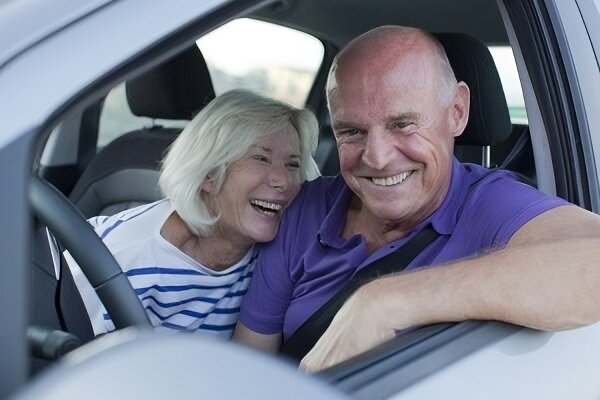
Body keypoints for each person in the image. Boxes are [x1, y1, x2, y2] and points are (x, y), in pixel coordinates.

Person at [233, 26, 600, 370]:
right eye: (352, 131)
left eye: (402, 124)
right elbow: (248, 368)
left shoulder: (490, 203)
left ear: (457, 111)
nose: (376, 157)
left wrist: (386, 303)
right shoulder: (308, 207)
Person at [65, 89, 320, 339]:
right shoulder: (122, 261)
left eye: (293, 165)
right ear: (209, 174)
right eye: (261, 158)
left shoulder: (280, 256)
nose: (283, 181)